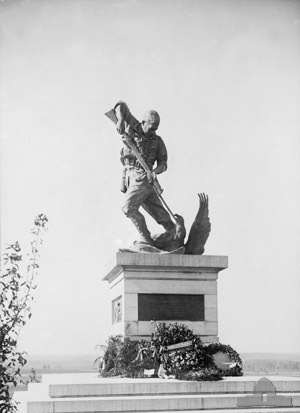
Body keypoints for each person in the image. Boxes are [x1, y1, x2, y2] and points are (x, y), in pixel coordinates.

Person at [114, 101, 175, 245]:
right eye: (151, 127)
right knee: (157, 211)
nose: (153, 131)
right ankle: (173, 233)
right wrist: (121, 120)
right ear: (143, 122)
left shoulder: (158, 141)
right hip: (130, 174)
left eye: (156, 128)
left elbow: (163, 163)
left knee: (128, 208)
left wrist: (155, 172)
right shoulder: (133, 125)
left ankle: (146, 238)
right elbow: (120, 105)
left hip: (144, 177)